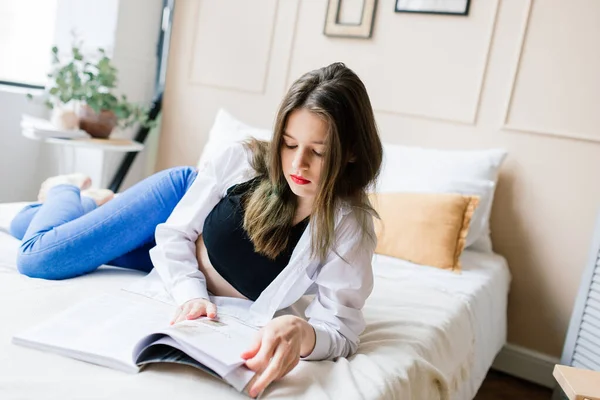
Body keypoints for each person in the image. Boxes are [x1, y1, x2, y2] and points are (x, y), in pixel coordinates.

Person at [9, 62, 383, 397]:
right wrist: (191, 293)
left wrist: (304, 334)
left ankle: (95, 205)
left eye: (317, 152)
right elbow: (174, 235)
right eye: (288, 144)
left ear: (350, 151)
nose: (297, 163)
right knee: (39, 255)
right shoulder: (243, 162)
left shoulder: (348, 227)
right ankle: (66, 187)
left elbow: (340, 329)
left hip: (169, 264)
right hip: (175, 209)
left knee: (24, 224)